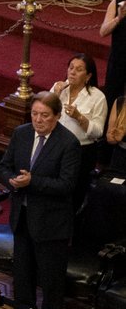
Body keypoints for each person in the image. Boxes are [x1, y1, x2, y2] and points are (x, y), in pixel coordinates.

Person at [0, 91, 81, 309]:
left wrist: (33, 182)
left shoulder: (68, 143)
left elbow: (67, 185)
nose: (38, 120)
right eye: (35, 114)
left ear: (57, 116)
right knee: (22, 273)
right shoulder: (21, 134)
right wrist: (11, 180)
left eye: (45, 115)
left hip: (51, 224)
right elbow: (3, 166)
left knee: (50, 280)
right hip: (22, 217)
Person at [49, 52, 107, 207]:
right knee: (52, 192)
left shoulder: (97, 97)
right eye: (71, 67)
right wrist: (55, 96)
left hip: (81, 151)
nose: (72, 72)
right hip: (55, 148)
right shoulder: (58, 88)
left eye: (78, 69)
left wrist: (80, 118)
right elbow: (45, 116)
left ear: (88, 76)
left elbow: (98, 132)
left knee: (72, 196)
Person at [99, 0, 126, 111]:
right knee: (112, 98)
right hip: (118, 61)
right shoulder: (117, 3)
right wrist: (118, 18)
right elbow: (103, 32)